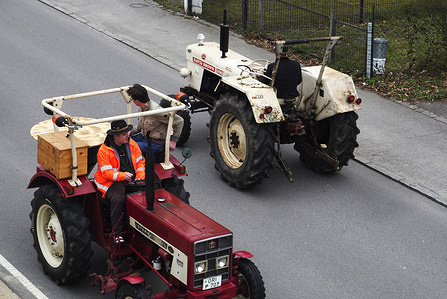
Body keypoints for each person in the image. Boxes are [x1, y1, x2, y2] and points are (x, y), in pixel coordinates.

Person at [94, 119, 145, 240]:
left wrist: (140, 176)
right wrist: (123, 175)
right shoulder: (103, 151)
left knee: (148, 192)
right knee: (118, 199)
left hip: (130, 178)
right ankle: (117, 234)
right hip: (111, 182)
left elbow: (140, 162)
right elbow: (107, 173)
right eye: (124, 134)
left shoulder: (131, 143)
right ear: (115, 136)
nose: (128, 135)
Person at [127, 84, 184, 160]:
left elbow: (179, 121)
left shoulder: (157, 111)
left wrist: (174, 141)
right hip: (144, 137)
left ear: (137, 101)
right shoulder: (142, 108)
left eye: (132, 99)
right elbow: (141, 125)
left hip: (156, 144)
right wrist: (130, 133)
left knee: (129, 146)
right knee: (123, 140)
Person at [258, 46, 302, 112]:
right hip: (294, 97)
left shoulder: (272, 66)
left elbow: (265, 81)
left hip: (278, 98)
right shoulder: (296, 64)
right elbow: (299, 80)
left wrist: (260, 75)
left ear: (276, 53)